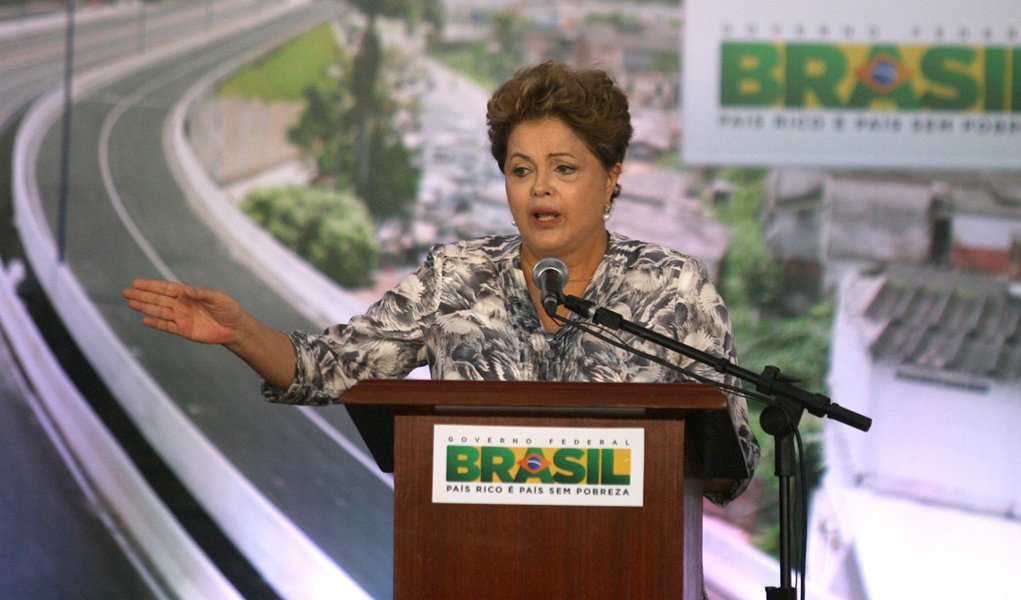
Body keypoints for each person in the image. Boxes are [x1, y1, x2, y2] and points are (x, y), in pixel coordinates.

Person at [123, 61, 759, 504]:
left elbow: (733, 463)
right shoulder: (456, 277)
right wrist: (241, 332)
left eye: (564, 168)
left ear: (612, 175)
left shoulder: (675, 289)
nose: (539, 189)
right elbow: (329, 368)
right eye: (520, 169)